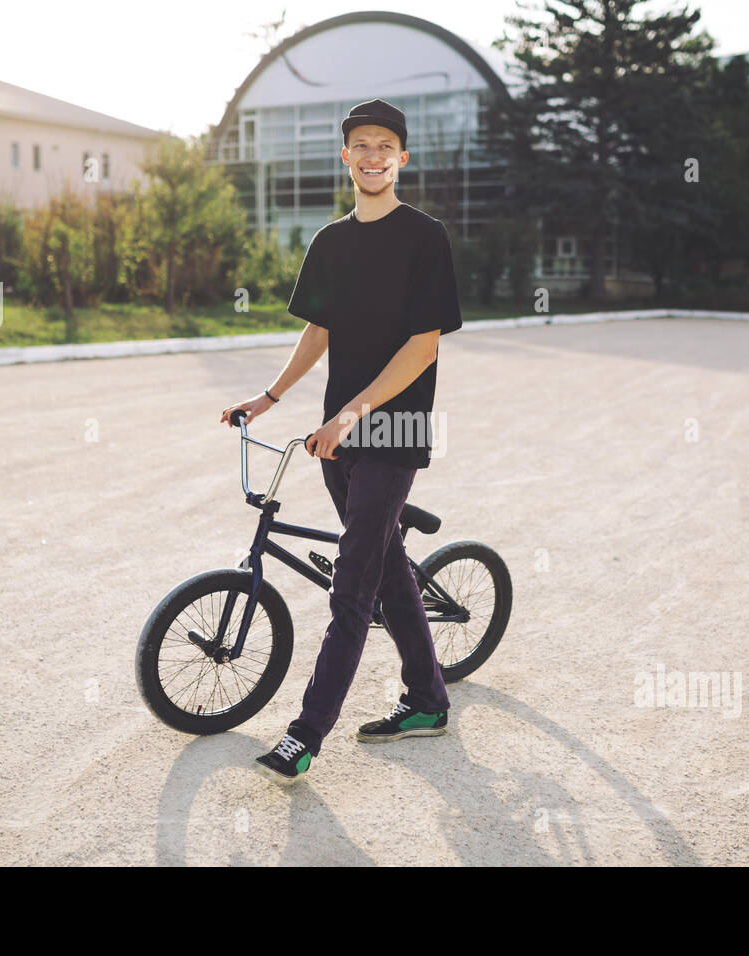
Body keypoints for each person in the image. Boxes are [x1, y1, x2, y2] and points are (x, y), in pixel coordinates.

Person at [218, 98, 463, 785]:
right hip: (338, 434)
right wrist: (268, 398)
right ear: (347, 156)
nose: (375, 155)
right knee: (386, 566)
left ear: (402, 158)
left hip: (392, 428)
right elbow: (318, 331)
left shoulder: (425, 238)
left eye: (387, 145)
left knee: (351, 589)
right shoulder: (330, 242)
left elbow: (422, 347)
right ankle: (428, 700)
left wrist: (352, 412)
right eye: (363, 144)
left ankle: (305, 736)